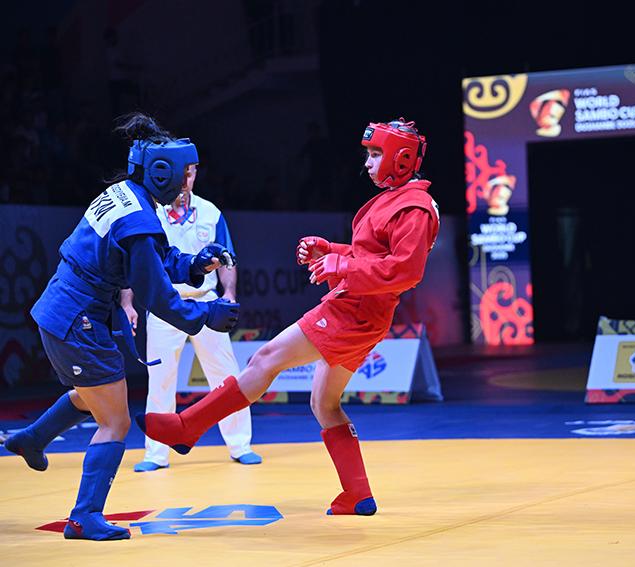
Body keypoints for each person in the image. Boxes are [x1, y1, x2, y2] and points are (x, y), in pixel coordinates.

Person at [138, 118, 440, 516]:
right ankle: (358, 495)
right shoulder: (396, 200)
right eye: (368, 154)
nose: (367, 163)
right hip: (363, 311)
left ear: (400, 159)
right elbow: (373, 255)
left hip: (355, 310)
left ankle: (187, 427)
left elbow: (406, 271)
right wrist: (330, 250)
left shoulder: (413, 208)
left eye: (374, 154)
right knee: (324, 403)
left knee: (265, 359)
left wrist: (342, 266)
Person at [2, 113, 240, 540]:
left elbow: (154, 260)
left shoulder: (123, 195)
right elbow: (157, 297)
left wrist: (194, 263)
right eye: (184, 175)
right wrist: (207, 316)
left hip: (61, 312)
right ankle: (84, 516)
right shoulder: (139, 220)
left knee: (91, 394)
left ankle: (33, 438)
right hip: (77, 321)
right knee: (115, 421)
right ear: (162, 173)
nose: (185, 186)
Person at [122, 164, 261, 472]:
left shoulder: (210, 212)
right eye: (181, 172)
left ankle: (240, 444)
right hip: (163, 303)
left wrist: (229, 293)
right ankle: (156, 453)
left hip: (206, 301)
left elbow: (227, 259)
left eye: (192, 172)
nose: (186, 179)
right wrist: (128, 304)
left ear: (196, 173)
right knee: (160, 378)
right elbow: (135, 262)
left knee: (226, 375)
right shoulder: (151, 213)